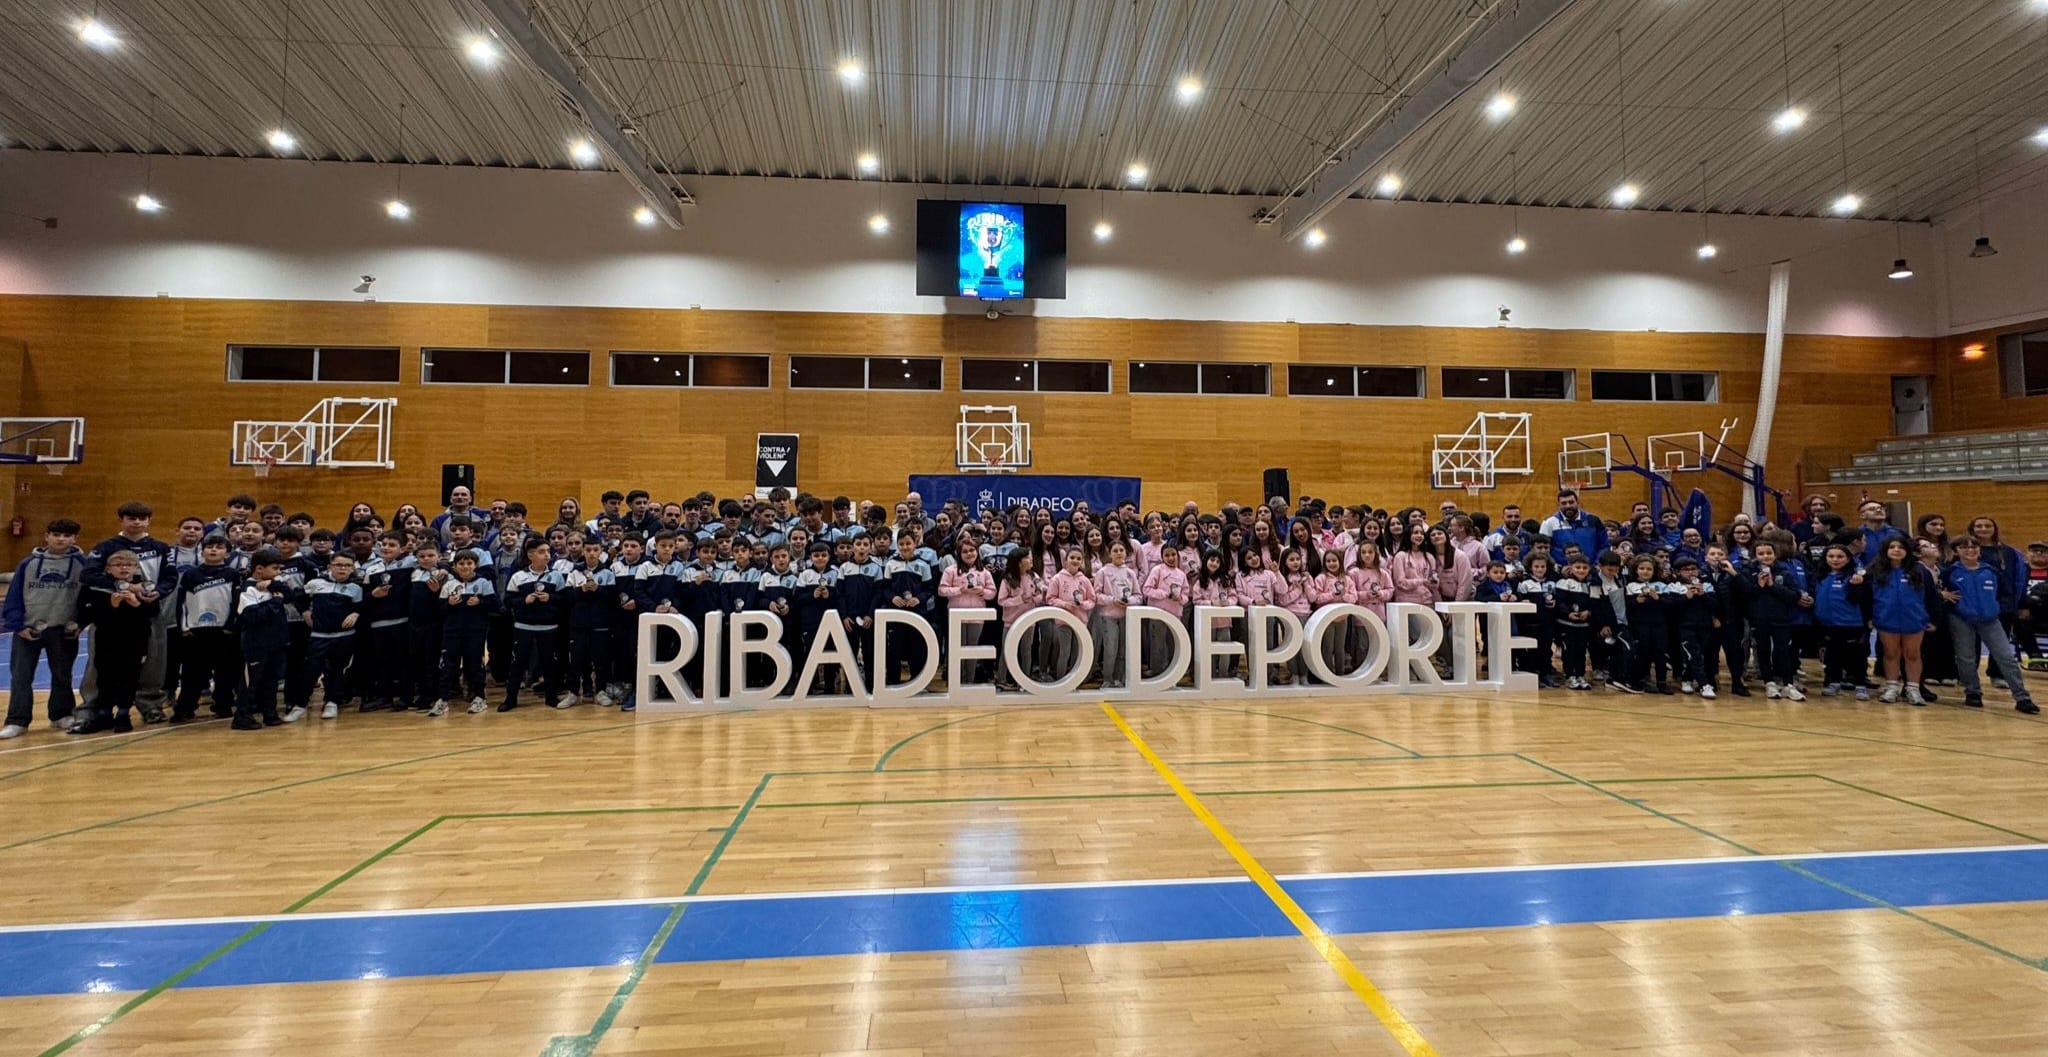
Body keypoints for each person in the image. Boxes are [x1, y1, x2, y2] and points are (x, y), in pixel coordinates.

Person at [2, 518, 89, 738]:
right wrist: (17, 625)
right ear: (46, 536)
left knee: (62, 674)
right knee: (21, 676)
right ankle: (17, 720)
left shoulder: (83, 564)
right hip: (29, 629)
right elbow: (14, 596)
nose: (61, 539)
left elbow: (88, 598)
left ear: (75, 539)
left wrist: (80, 623)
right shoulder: (27, 563)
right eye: (56, 535)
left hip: (63, 630)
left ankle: (60, 714)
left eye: (67, 536)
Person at [1943, 537, 2040, 713]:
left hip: (1990, 620)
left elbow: (2005, 592)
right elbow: (1938, 589)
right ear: (1956, 551)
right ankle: (1972, 692)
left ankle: (2022, 697)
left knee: (2006, 657)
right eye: (1964, 547)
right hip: (1961, 619)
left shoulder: (1992, 571)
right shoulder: (1950, 572)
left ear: (1979, 550)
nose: (1970, 550)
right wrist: (1943, 595)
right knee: (1966, 657)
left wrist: (1998, 609)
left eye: (1974, 547)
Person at [73, 551, 161, 734]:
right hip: (106, 639)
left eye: (129, 564)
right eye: (118, 564)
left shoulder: (145, 587)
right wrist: (111, 606)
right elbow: (89, 614)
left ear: (136, 568)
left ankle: (123, 713)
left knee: (130, 675)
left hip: (135, 640)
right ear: (108, 568)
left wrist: (136, 605)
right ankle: (104, 713)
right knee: (104, 675)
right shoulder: (96, 587)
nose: (124, 568)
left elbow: (152, 613)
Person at [172, 534, 242, 723]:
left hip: (223, 631)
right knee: (192, 673)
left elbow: (236, 603)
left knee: (225, 673)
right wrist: (185, 627)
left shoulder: (233, 575)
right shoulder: (191, 574)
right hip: (196, 631)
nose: (213, 550)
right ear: (202, 551)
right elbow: (183, 603)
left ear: (227, 553)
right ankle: (185, 708)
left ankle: (223, 705)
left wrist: (230, 626)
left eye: (219, 547)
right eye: (209, 547)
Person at [1868, 536, 1938, 705]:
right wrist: (1870, 617)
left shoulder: (1920, 571)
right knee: (1891, 654)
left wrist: (1934, 619)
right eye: (1892, 546)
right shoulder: (1875, 571)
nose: (1896, 550)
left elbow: (1932, 597)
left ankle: (1913, 688)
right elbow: (1867, 597)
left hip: (1914, 620)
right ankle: (1891, 687)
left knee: (1912, 654)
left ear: (1908, 551)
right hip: (1886, 619)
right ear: (1885, 550)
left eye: (1900, 547)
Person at [501, 537, 565, 713]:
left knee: (549, 664)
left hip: (549, 628)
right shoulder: (519, 576)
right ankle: (511, 699)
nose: (547, 555)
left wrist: (550, 598)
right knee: (517, 664)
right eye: (542, 552)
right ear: (530, 555)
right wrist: (524, 600)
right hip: (523, 628)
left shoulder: (556, 576)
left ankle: (551, 697)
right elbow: (508, 601)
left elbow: (565, 600)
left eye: (548, 552)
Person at [231, 549, 292, 730]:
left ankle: (270, 713)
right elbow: (251, 616)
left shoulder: (274, 584)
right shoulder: (246, 589)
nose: (278, 572)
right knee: (251, 682)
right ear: (259, 568)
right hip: (256, 643)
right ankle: (242, 716)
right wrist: (274, 602)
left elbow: (291, 596)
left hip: (277, 641)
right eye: (275, 568)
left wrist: (275, 586)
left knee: (271, 680)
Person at [303, 552, 363, 720]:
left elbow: (361, 608)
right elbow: (299, 597)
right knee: (311, 670)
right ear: (330, 566)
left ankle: (332, 702)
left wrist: (356, 614)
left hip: (344, 637)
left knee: (337, 671)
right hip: (319, 635)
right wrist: (305, 612)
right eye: (338, 565)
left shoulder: (355, 588)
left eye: (347, 566)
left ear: (352, 569)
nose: (342, 568)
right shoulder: (316, 584)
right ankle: (300, 704)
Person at [438, 549, 497, 714]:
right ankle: (442, 699)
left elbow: (495, 605)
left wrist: (480, 601)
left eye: (469, 563)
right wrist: (448, 603)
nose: (465, 567)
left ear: (475, 565)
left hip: (475, 632)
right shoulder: (449, 585)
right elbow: (439, 609)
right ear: (454, 566)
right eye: (461, 564)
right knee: (449, 666)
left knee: (474, 665)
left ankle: (479, 697)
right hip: (452, 632)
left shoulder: (484, 583)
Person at [1811, 544, 1871, 699]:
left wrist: (1856, 586)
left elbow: (1859, 599)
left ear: (1848, 559)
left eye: (1840, 557)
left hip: (1852, 624)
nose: (1835, 560)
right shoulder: (1820, 576)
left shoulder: (1854, 576)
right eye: (1831, 556)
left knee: (1856, 656)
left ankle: (1860, 684)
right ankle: (1833, 682)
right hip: (1827, 624)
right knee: (1832, 655)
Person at [1539, 489, 1608, 567]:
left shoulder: (1593, 520)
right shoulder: (1549, 523)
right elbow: (1541, 551)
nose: (1568, 506)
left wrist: (1597, 564)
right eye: (1564, 503)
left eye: (1571, 502)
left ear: (1578, 502)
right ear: (1558, 505)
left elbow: (1604, 545)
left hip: (1591, 569)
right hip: (1561, 572)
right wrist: (1556, 567)